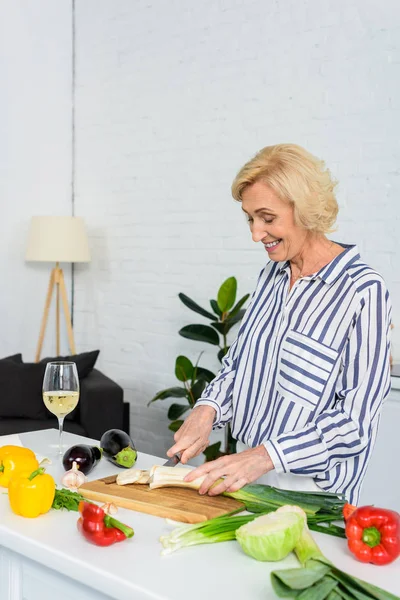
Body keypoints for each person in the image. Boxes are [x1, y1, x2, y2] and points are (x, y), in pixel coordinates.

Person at [167, 143, 392, 504]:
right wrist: (206, 409)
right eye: (249, 218)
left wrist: (264, 457)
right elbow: (240, 367)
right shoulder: (271, 276)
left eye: (267, 218)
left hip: (312, 495)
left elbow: (355, 423)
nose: (256, 234)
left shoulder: (362, 290)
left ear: (305, 210)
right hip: (246, 477)